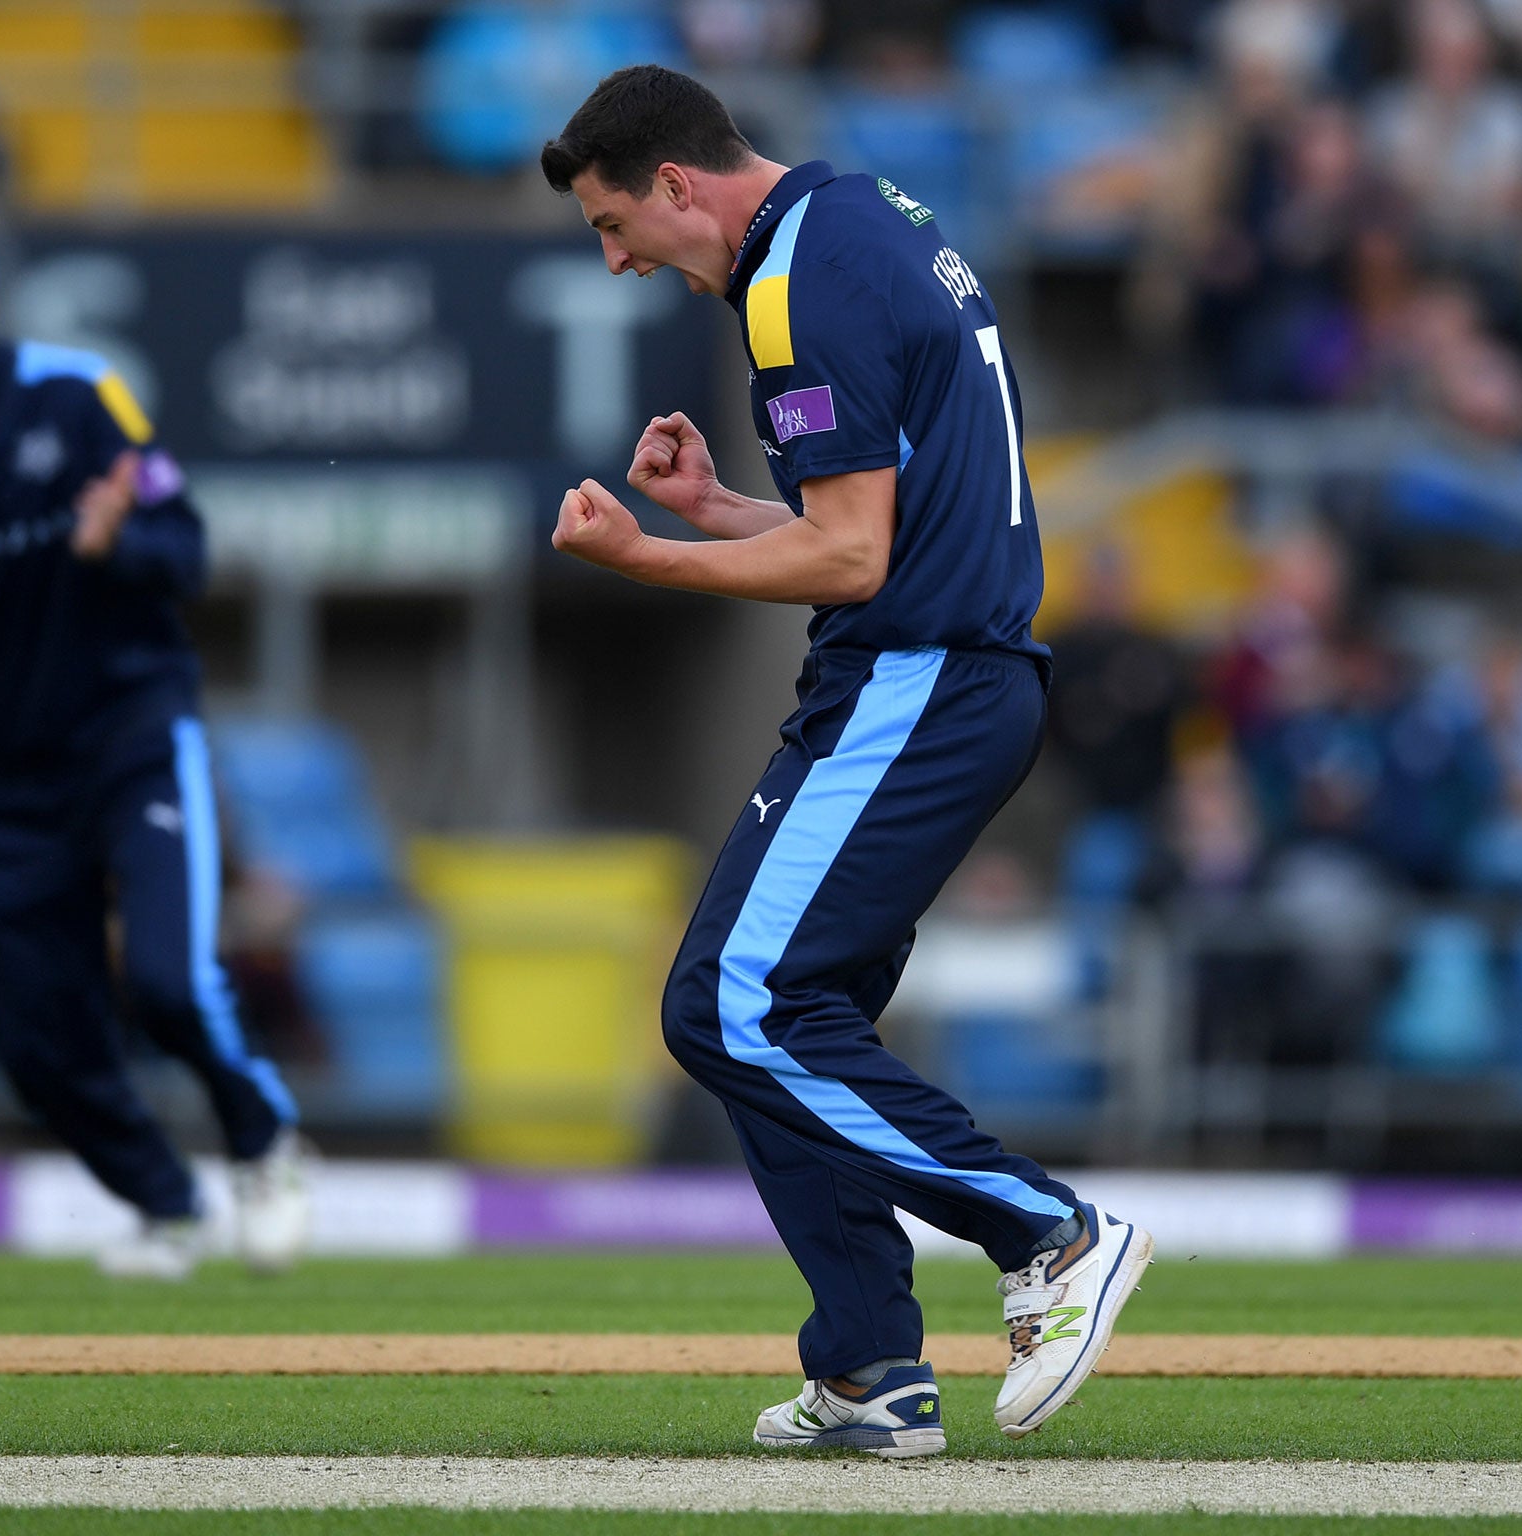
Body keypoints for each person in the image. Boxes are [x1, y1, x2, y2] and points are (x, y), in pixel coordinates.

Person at [539, 65, 1150, 1454]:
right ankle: (873, 1368)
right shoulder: (864, 214)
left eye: (613, 224)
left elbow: (855, 557)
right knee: (784, 1014)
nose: (619, 259)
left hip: (914, 683)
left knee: (729, 1007)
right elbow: (880, 515)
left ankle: (1051, 1235)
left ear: (678, 186)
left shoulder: (789, 283)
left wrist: (650, 553)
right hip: (951, 674)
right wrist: (719, 508)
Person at [0, 219, 308, 1279]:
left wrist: (113, 540)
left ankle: (262, 1141)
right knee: (39, 1048)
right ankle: (168, 1207)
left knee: (169, 983)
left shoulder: (76, 398)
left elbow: (187, 550)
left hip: (129, 737)